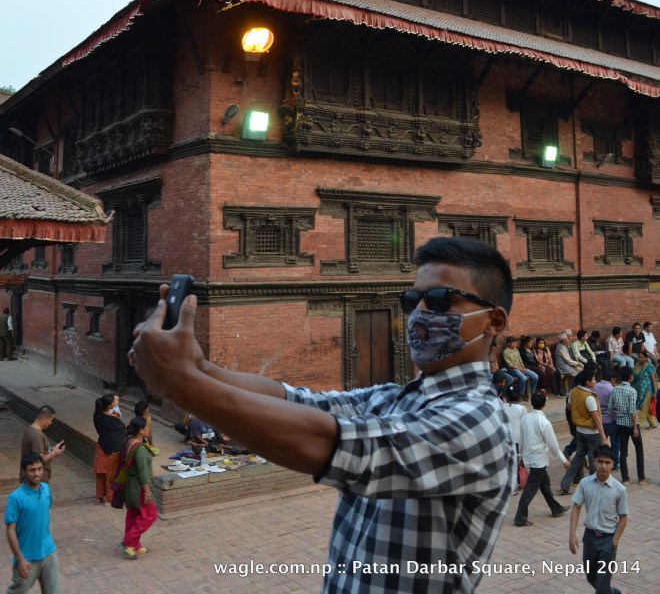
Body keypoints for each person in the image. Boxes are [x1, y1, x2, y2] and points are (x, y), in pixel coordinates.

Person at [131, 237, 514, 594]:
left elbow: (330, 443)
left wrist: (181, 384)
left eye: (441, 300)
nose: (421, 313)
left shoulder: (479, 421)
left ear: (494, 321)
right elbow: (296, 402)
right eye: (413, 299)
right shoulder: (393, 399)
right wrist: (199, 367)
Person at [568, 445, 627, 594]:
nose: (603, 466)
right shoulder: (585, 483)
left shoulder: (619, 489)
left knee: (601, 585)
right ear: (593, 461)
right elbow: (576, 507)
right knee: (591, 577)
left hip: (608, 540)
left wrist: (614, 541)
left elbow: (623, 518)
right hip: (589, 539)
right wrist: (572, 534)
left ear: (612, 464)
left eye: (607, 462)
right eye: (600, 461)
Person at [4, 453, 61, 593]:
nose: (36, 473)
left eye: (39, 469)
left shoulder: (46, 489)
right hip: (26, 558)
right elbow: (10, 530)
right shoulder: (15, 498)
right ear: (24, 471)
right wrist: (20, 559)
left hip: (49, 553)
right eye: (32, 470)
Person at [513, 391, 569, 526]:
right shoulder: (544, 422)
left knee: (545, 483)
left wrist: (520, 456)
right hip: (538, 460)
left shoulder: (526, 419)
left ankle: (556, 508)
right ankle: (520, 518)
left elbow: (521, 439)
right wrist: (564, 460)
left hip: (531, 457)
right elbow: (553, 445)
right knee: (531, 488)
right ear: (544, 404)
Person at [558, 369, 607, 495]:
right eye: (593, 379)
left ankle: (565, 484)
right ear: (587, 382)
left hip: (579, 430)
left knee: (578, 457)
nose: (595, 381)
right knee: (593, 458)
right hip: (592, 432)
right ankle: (594, 486)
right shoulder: (589, 397)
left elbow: (569, 408)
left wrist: (579, 415)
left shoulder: (573, 392)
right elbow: (596, 419)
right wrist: (603, 437)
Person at [118, 417, 158, 559]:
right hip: (139, 487)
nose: (149, 429)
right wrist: (147, 492)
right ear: (141, 430)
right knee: (150, 515)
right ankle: (129, 542)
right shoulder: (140, 449)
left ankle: (135, 546)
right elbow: (143, 472)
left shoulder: (128, 441)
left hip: (130, 485)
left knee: (134, 514)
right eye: (147, 427)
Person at [608, 366, 645, 485]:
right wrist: (635, 427)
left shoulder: (614, 389)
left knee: (623, 451)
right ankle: (641, 478)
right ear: (631, 377)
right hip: (631, 424)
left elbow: (610, 407)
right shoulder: (632, 391)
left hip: (620, 424)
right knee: (639, 450)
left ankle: (625, 478)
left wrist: (620, 411)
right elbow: (632, 411)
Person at [93, 394, 125, 505]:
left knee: (100, 473)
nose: (116, 403)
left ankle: (99, 497)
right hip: (113, 450)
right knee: (110, 474)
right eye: (114, 402)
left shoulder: (97, 416)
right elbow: (121, 431)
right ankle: (109, 498)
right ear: (109, 405)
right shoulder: (114, 419)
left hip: (101, 447)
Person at [20, 407, 65, 483]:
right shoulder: (37, 436)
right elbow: (38, 460)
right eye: (50, 420)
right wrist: (53, 453)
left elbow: (40, 451)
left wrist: (53, 449)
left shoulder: (29, 429)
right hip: (38, 480)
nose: (50, 423)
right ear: (44, 419)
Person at [593, 371, 619, 469]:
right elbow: (614, 406)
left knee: (600, 443)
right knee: (615, 442)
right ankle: (614, 463)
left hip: (599, 419)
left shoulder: (595, 386)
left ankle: (600, 460)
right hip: (610, 419)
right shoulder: (611, 389)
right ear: (612, 378)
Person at [631, 351, 657, 429]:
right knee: (645, 408)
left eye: (642, 357)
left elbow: (653, 380)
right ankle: (653, 423)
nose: (640, 359)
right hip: (638, 390)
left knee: (644, 408)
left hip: (647, 391)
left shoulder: (649, 367)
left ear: (646, 358)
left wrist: (655, 392)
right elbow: (633, 377)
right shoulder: (636, 365)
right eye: (639, 357)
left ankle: (638, 425)